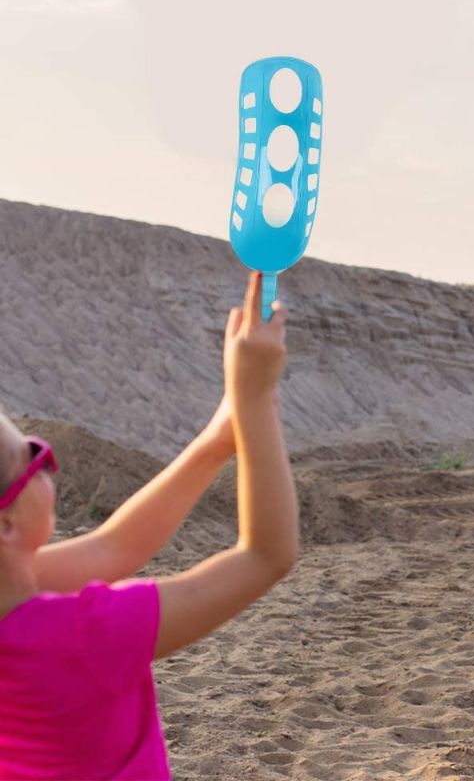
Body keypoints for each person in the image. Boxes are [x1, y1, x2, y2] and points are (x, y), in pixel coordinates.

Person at [0, 271, 298, 779]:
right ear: (7, 524)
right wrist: (253, 403)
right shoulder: (86, 635)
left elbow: (111, 550)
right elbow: (266, 556)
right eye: (33, 455)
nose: (45, 457)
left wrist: (217, 442)